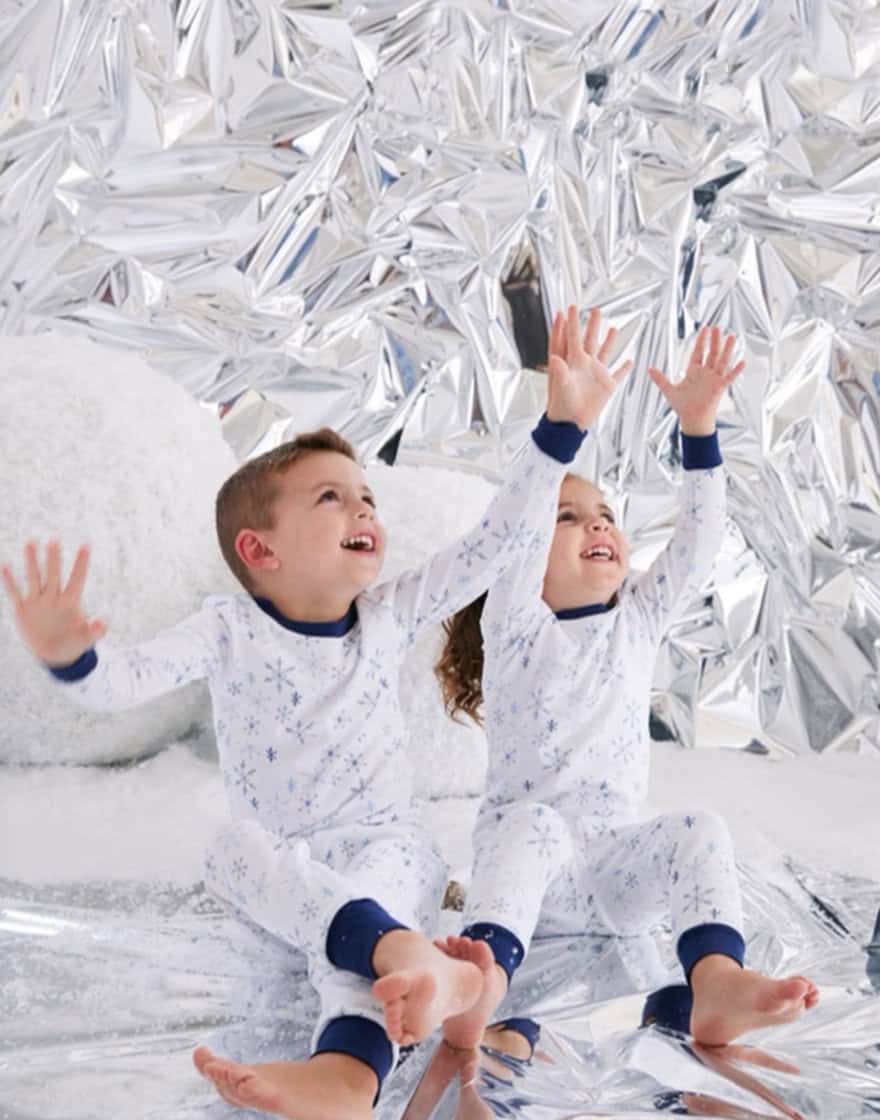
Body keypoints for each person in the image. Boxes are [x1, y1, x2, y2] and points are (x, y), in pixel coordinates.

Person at [1, 307, 629, 1120]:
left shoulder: (389, 616)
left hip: (387, 849)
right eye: (333, 498)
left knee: (365, 904)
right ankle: (403, 954)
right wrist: (69, 658)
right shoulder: (227, 630)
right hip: (286, 865)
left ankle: (348, 1072)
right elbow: (129, 680)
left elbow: (498, 542)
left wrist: (560, 430)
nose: (366, 511)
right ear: (260, 551)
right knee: (230, 850)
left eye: (368, 496)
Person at [433, 320, 819, 1063]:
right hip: (530, 881)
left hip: (615, 873)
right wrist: (563, 427)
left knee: (700, 827)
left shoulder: (635, 622)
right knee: (534, 825)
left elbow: (698, 544)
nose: (597, 525)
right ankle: (478, 981)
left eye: (606, 515)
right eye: (568, 518)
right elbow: (514, 528)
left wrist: (699, 428)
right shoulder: (518, 626)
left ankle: (716, 981)